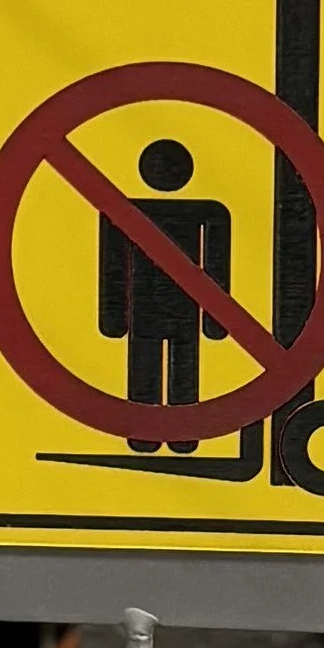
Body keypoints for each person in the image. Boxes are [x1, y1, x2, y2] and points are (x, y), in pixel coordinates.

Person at [97, 138, 231, 453]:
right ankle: (160, 435)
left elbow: (216, 261)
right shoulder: (126, 213)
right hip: (163, 309)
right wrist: (217, 320)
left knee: (168, 372)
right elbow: (114, 266)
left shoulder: (202, 212)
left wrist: (113, 318)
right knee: (161, 372)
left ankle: (166, 435)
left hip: (167, 309)